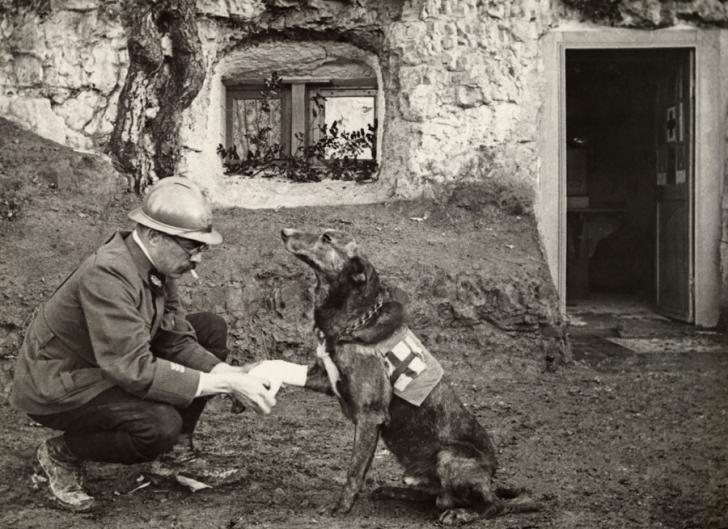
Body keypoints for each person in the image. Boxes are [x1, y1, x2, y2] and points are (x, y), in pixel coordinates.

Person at [10, 176, 306, 512]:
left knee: (208, 329)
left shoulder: (157, 266)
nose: (197, 259)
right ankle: (61, 453)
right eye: (191, 246)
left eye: (201, 247)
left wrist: (231, 373)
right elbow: (132, 368)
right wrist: (224, 382)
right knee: (159, 425)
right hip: (62, 383)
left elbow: (176, 339)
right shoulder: (108, 273)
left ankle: (175, 458)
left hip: (106, 366)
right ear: (153, 234)